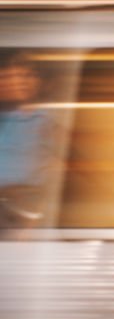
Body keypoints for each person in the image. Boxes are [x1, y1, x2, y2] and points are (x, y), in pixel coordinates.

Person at [0, 52, 54, 228]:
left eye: (25, 75)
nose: (17, 82)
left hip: (30, 209)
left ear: (37, 81)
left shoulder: (49, 121)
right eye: (7, 76)